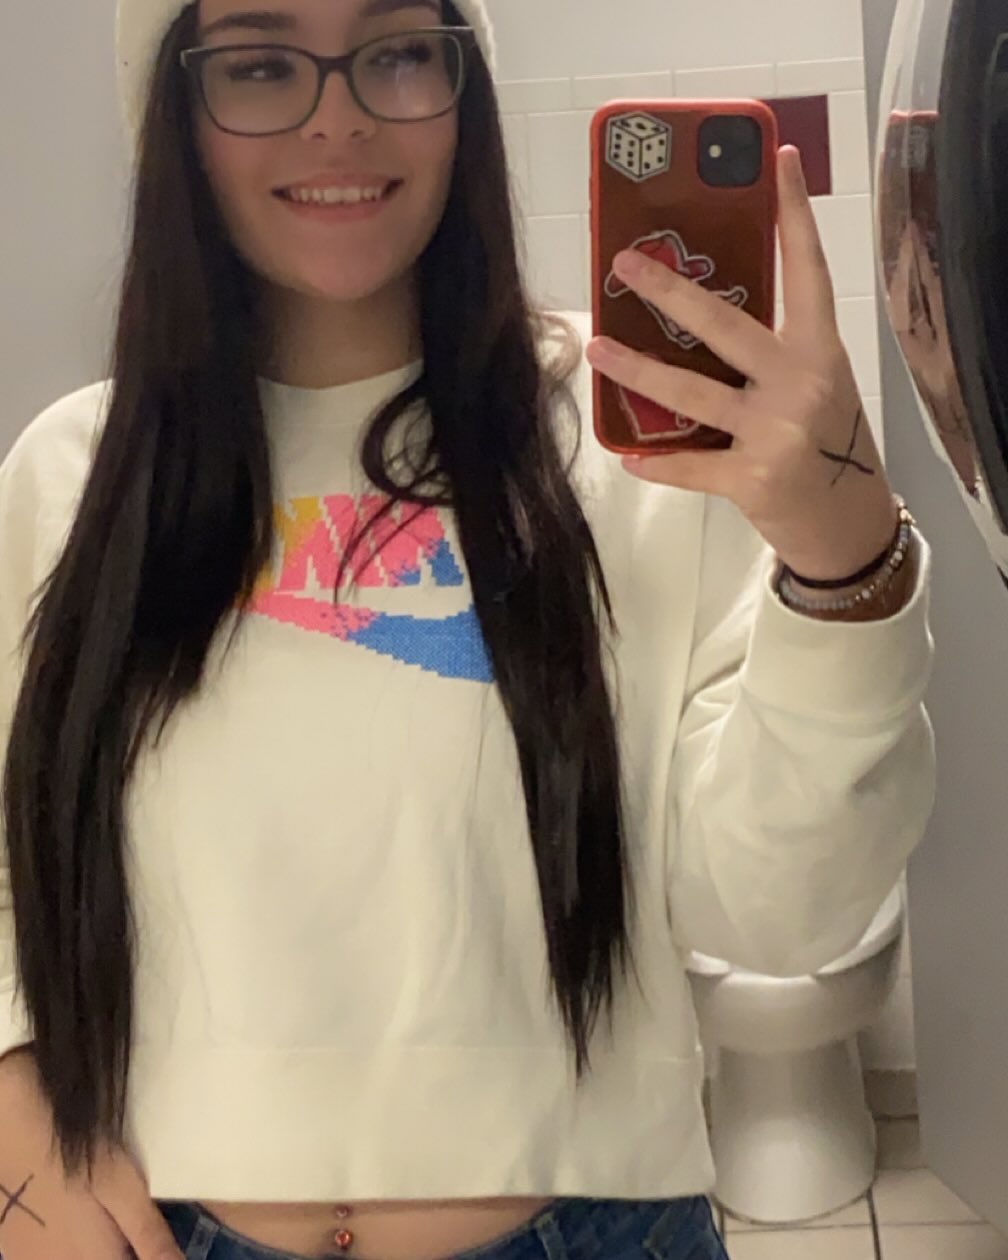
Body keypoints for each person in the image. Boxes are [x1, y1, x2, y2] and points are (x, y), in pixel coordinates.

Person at [0, 1, 936, 1259]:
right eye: (262, 65)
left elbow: (779, 918)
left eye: (395, 51)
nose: (337, 116)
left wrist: (847, 564)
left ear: (466, 91)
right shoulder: (72, 476)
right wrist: (11, 1102)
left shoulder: (634, 446)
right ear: (178, 112)